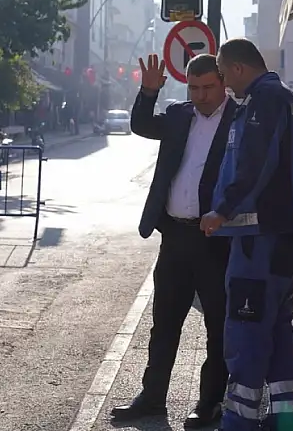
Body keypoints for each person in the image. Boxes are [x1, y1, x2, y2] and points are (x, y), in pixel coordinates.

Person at [112, 53, 235, 428]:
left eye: (208, 88)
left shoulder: (241, 118)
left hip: (216, 240)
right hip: (176, 236)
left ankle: (209, 402)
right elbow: (142, 124)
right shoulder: (180, 115)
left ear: (223, 82)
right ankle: (152, 399)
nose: (200, 96)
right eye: (193, 88)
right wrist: (149, 91)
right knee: (164, 322)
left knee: (218, 325)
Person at [200, 38, 293, 431]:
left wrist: (222, 209)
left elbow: (253, 162)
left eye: (224, 74)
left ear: (237, 68)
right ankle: (284, 418)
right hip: (285, 238)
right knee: (276, 327)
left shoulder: (264, 101)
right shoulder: (283, 99)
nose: (226, 86)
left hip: (259, 239)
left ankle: (239, 421)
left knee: (246, 330)